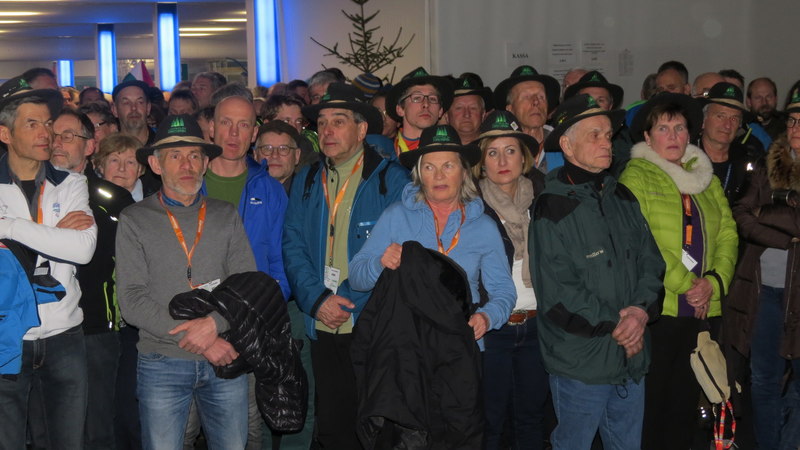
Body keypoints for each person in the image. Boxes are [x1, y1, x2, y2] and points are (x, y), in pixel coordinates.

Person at [348, 124, 516, 447]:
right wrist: (380, 262)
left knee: (458, 439)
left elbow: (504, 291)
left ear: (463, 172)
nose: (439, 175)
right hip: (406, 358)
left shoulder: (482, 226)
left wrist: (487, 317)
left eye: (448, 165)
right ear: (418, 174)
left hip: (459, 355)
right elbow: (356, 276)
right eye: (429, 167)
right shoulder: (396, 216)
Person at [531, 94, 665, 450]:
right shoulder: (552, 206)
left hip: (631, 354)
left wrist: (640, 312)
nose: (606, 142)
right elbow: (559, 292)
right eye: (594, 135)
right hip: (582, 360)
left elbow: (651, 261)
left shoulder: (622, 197)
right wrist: (621, 326)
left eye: (608, 135)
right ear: (567, 145)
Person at [116, 114, 256, 449]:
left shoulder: (225, 214)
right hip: (162, 362)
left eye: (194, 155)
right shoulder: (134, 219)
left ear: (206, 163)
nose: (187, 164)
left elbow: (245, 286)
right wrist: (203, 339)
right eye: (175, 156)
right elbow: (132, 300)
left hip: (225, 357)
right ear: (155, 164)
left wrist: (214, 325)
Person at [282, 83, 409, 449]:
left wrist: (348, 299)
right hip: (322, 319)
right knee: (333, 425)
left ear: (362, 129)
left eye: (338, 121)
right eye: (322, 122)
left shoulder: (390, 179)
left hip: (371, 321)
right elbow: (292, 244)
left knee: (376, 426)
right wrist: (318, 299)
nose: (327, 131)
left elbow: (397, 254)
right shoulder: (307, 178)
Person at [619, 92, 738, 450]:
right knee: (653, 405)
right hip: (660, 310)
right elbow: (643, 240)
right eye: (663, 128)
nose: (673, 136)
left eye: (680, 128)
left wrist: (713, 283)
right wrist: (689, 285)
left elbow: (729, 233)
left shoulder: (705, 177)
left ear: (690, 134)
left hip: (701, 312)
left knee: (685, 408)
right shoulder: (636, 176)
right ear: (647, 136)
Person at [0, 76, 97, 449]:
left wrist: (9, 226)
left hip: (64, 337)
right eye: (32, 124)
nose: (46, 134)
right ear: (5, 134)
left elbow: (82, 250)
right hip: (8, 336)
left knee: (68, 442)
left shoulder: (71, 183)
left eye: (47, 123)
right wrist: (54, 233)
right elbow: (65, 246)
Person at [51, 108, 136, 450]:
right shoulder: (31, 194)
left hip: (96, 328)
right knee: (49, 428)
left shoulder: (112, 199)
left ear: (89, 147)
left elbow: (118, 263)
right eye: (53, 135)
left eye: (68, 136)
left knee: (98, 427)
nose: (58, 143)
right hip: (43, 329)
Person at [725, 88, 800, 450]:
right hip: (764, 290)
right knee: (763, 380)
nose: (796, 128)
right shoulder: (769, 163)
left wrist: (766, 214)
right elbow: (741, 214)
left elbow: (763, 216)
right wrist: (787, 234)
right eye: (793, 121)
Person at [471, 111, 548, 449]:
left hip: (537, 327)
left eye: (510, 150)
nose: (502, 161)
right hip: (492, 331)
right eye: (493, 152)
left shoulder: (544, 199)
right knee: (489, 423)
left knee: (531, 421)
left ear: (524, 157)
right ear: (482, 161)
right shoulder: (470, 207)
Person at [697, 82, 761, 205]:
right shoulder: (685, 159)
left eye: (734, 119)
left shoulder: (749, 162)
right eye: (720, 116)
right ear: (703, 121)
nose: (727, 125)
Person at [494, 65, 560, 172]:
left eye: (541, 97)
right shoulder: (498, 149)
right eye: (526, 97)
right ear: (510, 109)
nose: (536, 102)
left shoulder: (563, 143)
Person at [385, 67, 454, 154]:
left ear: (440, 111)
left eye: (432, 99)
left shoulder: (450, 152)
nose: (426, 104)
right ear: (400, 109)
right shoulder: (384, 152)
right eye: (417, 98)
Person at [446, 73, 492, 145]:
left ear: (483, 114)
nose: (467, 114)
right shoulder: (437, 150)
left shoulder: (495, 147)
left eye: (473, 108)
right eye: (459, 108)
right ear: (446, 116)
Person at [112, 80, 154, 146]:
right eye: (126, 103)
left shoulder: (163, 145)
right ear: (115, 110)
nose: (134, 108)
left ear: (148, 108)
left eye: (140, 102)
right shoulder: (108, 149)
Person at [747, 77, 786, 141]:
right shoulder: (741, 126)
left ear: (776, 99)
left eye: (769, 97)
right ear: (749, 102)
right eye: (758, 98)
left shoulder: (788, 126)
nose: (764, 102)